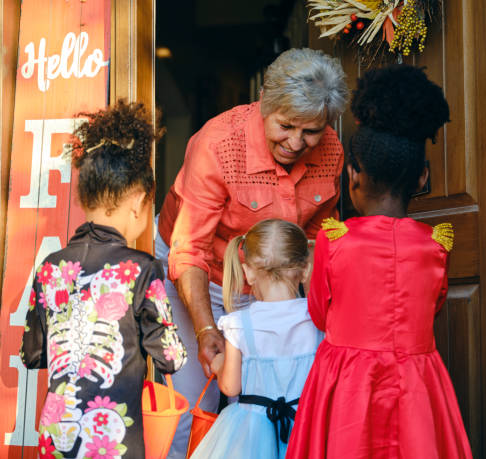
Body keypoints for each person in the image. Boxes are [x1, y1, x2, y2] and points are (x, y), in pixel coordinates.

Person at [155, 47, 348, 457]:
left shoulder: (330, 150)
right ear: (265, 101)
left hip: (272, 281)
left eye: (311, 131)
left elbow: (315, 240)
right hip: (197, 272)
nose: (297, 142)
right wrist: (208, 331)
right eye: (286, 126)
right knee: (196, 402)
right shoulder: (216, 144)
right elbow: (188, 249)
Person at [286, 65, 473, 458]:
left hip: (347, 386)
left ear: (353, 174)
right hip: (417, 384)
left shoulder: (333, 241)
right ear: (422, 179)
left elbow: (320, 314)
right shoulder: (436, 246)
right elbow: (433, 306)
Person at [20, 101, 187, 459]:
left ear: (84, 197)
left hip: (55, 436)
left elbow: (32, 355)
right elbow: (171, 358)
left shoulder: (50, 267)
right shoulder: (142, 269)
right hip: (113, 440)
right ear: (139, 202)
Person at [190, 219, 322, 458]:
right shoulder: (316, 319)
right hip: (306, 427)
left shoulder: (240, 325)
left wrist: (219, 364)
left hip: (251, 434)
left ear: (248, 272)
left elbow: (231, 386)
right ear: (305, 270)